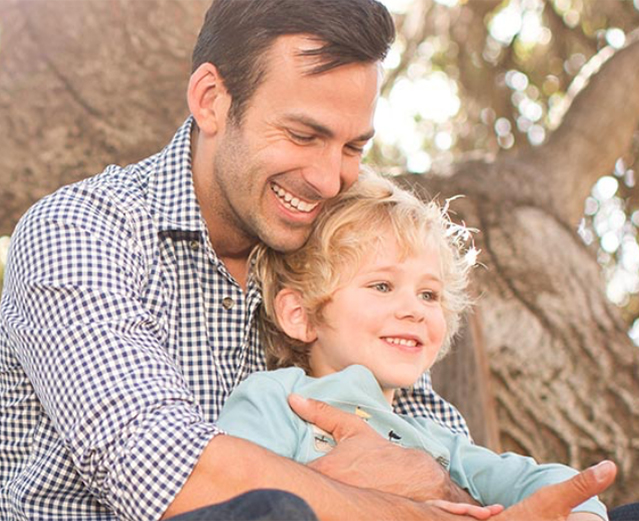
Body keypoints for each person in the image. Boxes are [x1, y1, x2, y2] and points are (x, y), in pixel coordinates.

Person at [0, 0, 618, 519]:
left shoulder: (340, 245)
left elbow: (432, 454)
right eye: (303, 135)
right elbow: (161, 471)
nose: (328, 178)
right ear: (212, 100)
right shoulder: (83, 230)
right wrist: (378, 502)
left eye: (353, 145)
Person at [216, 171, 610, 521]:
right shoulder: (277, 398)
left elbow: (536, 478)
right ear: (300, 314)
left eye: (429, 294)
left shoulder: (434, 441)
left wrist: (582, 510)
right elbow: (231, 492)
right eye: (382, 286)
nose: (414, 310)